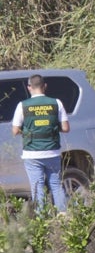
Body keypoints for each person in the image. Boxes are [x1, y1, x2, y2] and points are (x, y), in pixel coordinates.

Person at [12, 74, 70, 213]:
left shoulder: (22, 105)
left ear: (29, 87)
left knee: (37, 188)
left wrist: (29, 132)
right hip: (52, 151)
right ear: (45, 86)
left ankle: (42, 222)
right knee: (56, 185)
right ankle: (64, 217)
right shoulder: (56, 102)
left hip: (32, 153)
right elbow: (66, 128)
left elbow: (15, 130)